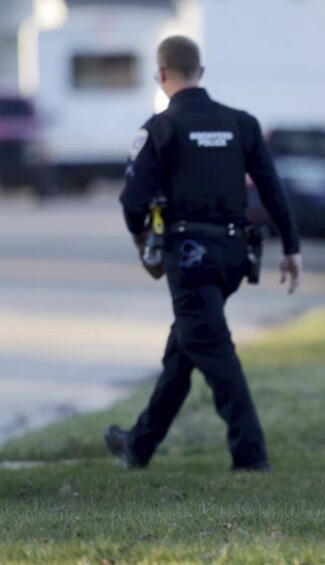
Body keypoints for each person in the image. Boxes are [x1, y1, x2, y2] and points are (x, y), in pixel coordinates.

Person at [105, 35, 302, 472]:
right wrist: (292, 247)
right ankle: (138, 445)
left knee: (212, 348)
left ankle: (250, 457)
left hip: (188, 256)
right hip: (233, 254)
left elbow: (132, 203)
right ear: (202, 73)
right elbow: (272, 188)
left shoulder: (160, 129)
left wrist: (144, 245)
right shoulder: (241, 123)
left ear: (161, 76)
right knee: (185, 349)